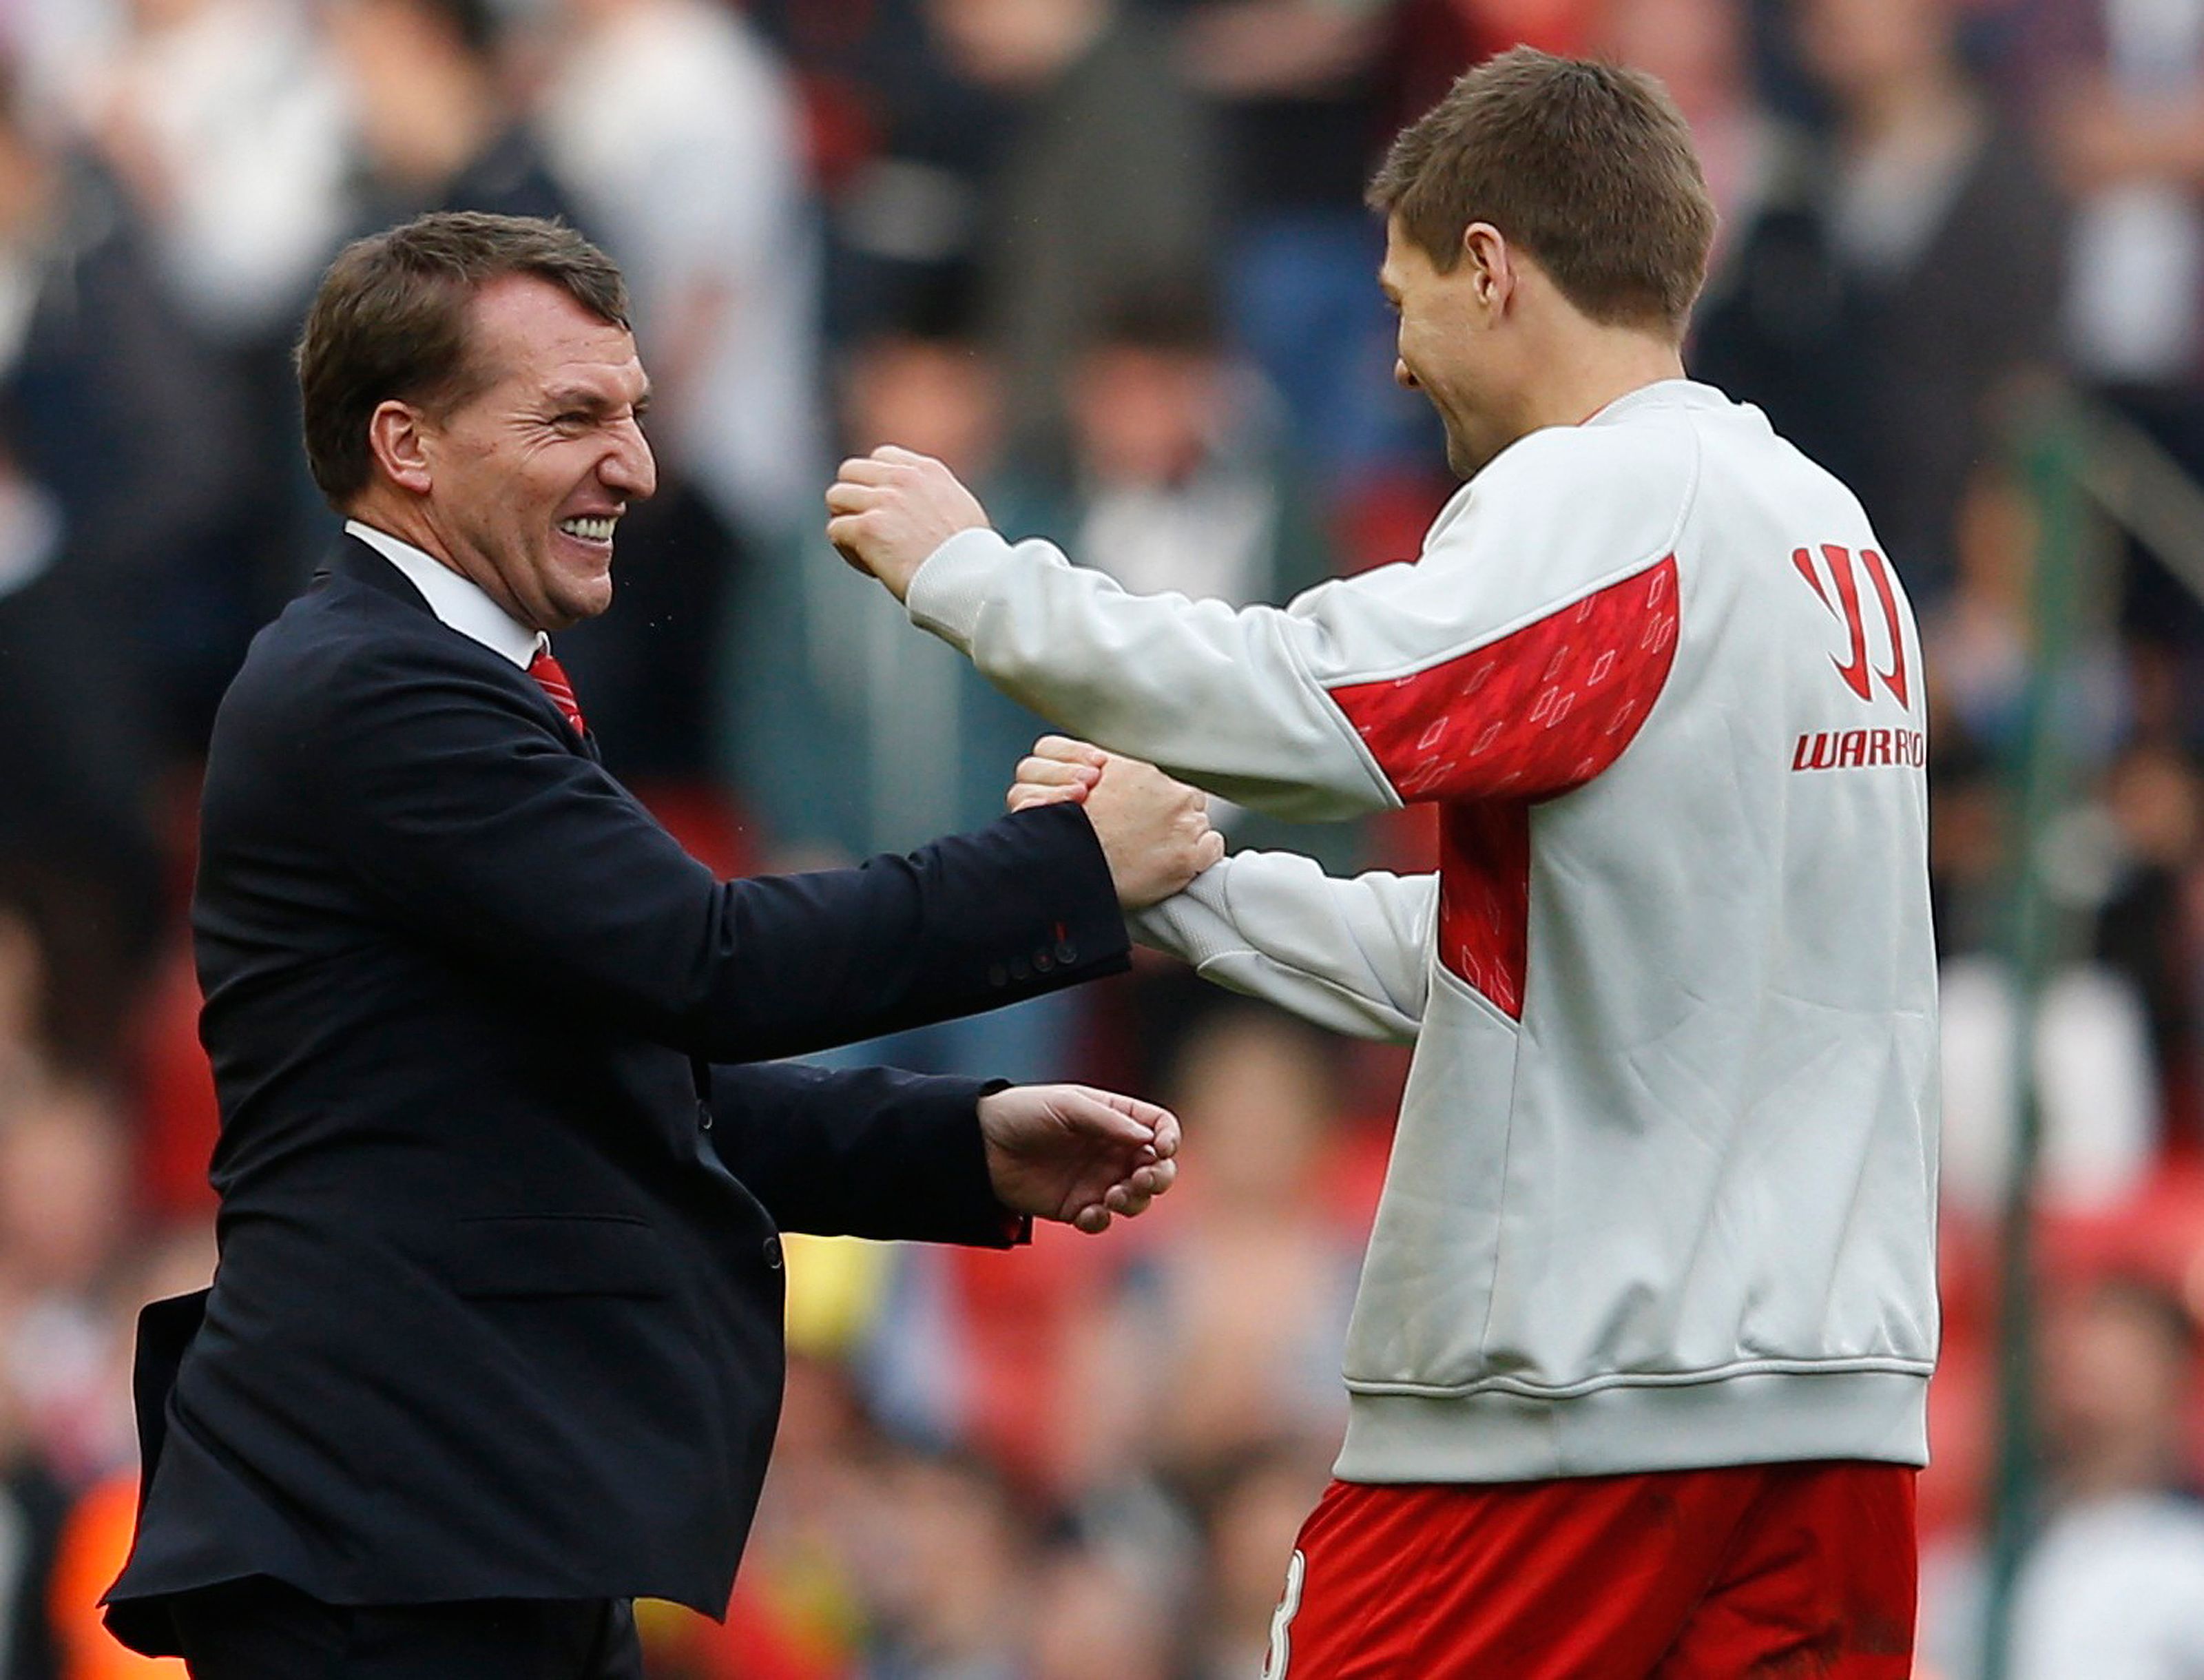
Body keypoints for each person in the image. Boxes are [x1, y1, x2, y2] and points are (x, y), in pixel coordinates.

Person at [829, 48, 1937, 1677]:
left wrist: (977, 581)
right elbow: (1534, 967)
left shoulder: (1608, 499)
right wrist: (1190, 889)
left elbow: (1322, 701)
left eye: (1402, 297)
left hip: (1574, 1404)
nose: (1397, 358)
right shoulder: (1828, 532)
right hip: (1832, 1411)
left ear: (1489, 266)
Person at [99, 210, 1220, 1678]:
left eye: (632, 413)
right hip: (386, 1533)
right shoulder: (372, 688)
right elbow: (712, 964)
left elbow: (597, 1090)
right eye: (572, 417)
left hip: (468, 1526)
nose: (632, 464)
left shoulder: (444, 681)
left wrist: (959, 1145)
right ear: (407, 444)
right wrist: (1070, 868)